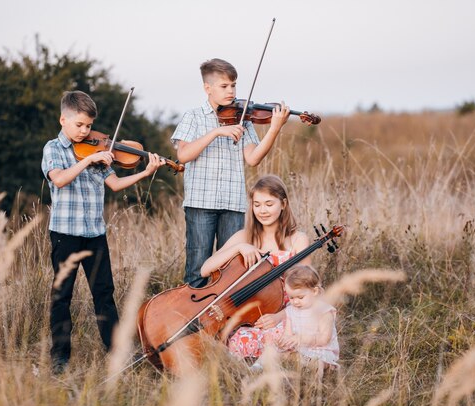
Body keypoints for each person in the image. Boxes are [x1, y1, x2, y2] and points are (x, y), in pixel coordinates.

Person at [41, 90, 165, 374]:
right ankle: (60, 358)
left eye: (88, 125)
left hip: (94, 234)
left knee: (104, 294)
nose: (85, 131)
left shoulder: (98, 151)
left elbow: (116, 184)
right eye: (79, 125)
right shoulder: (54, 149)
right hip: (65, 234)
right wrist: (86, 161)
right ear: (64, 120)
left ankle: (116, 352)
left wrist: (146, 173)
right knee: (62, 296)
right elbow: (59, 179)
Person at [172, 58, 292, 288]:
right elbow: (184, 155)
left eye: (233, 85)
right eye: (224, 86)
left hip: (233, 204)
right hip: (200, 203)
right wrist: (217, 132)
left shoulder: (243, 118)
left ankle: (227, 322)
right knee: (198, 270)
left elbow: (253, 158)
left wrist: (275, 128)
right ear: (208, 88)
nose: (231, 91)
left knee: (232, 272)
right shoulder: (193, 117)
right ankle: (194, 323)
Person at [200, 174, 310, 360]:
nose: (262, 210)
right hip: (252, 316)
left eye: (269, 204)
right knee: (239, 342)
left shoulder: (298, 239)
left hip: (287, 314)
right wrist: (239, 247)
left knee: (295, 335)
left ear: (283, 204)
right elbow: (205, 269)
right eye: (257, 204)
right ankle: (279, 358)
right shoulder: (244, 236)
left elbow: (305, 289)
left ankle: (285, 358)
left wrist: (279, 317)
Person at [270, 264, 339, 368]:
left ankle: (318, 375)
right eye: (291, 297)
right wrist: (284, 341)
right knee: (272, 352)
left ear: (314, 291)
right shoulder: (291, 311)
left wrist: (301, 339)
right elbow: (288, 334)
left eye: (300, 297)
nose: (296, 302)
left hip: (320, 351)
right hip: (299, 350)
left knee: (317, 363)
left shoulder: (323, 311)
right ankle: (257, 368)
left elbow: (324, 339)